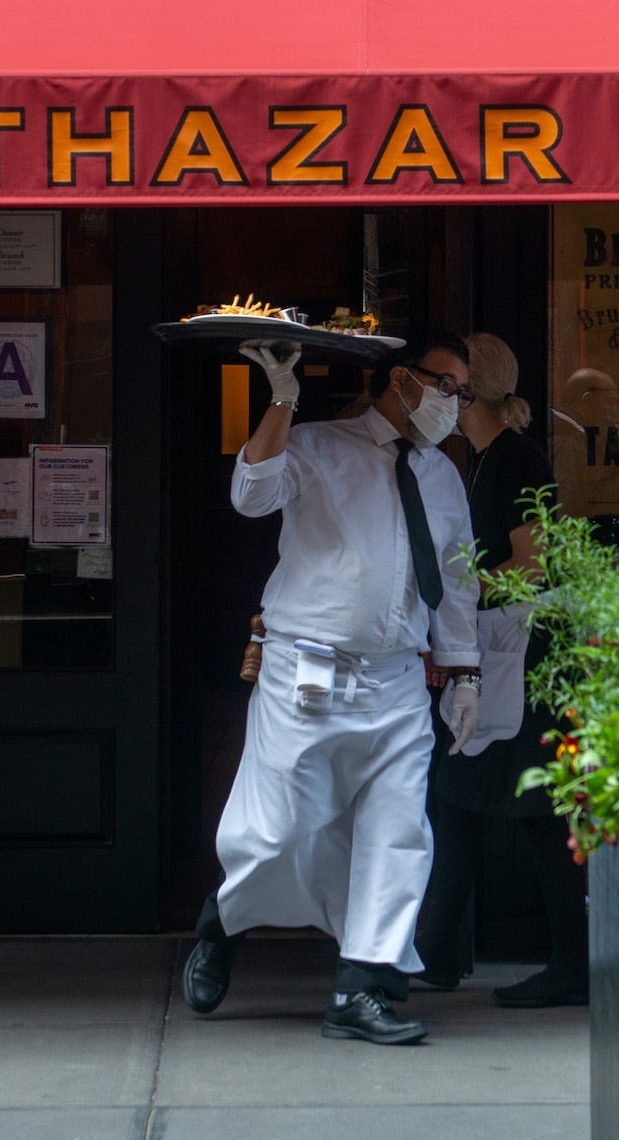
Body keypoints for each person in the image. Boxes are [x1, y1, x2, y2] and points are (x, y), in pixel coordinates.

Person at [184, 330, 482, 1046]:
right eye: (447, 386)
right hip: (307, 672)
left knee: (398, 831)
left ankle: (362, 988)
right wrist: (282, 400)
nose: (455, 403)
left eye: (464, 393)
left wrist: (466, 669)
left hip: (398, 679)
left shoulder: (440, 474)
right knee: (277, 830)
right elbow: (250, 494)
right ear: (402, 382)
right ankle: (223, 922)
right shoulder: (318, 445)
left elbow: (458, 579)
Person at [414, 334, 590, 1008]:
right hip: (503, 653)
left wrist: (461, 594)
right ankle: (440, 951)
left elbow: (534, 564)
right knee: (457, 793)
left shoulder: (513, 460)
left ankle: (571, 963)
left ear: (465, 392)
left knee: (538, 810)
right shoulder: (484, 460)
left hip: (527, 659)